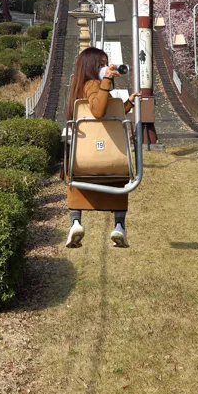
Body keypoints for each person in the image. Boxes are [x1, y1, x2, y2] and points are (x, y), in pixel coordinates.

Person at [63, 46, 140, 249]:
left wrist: (128, 104)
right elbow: (98, 112)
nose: (107, 68)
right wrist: (105, 80)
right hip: (110, 156)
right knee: (120, 179)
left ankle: (75, 223)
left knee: (74, 180)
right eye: (103, 64)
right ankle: (119, 226)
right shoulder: (93, 85)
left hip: (83, 158)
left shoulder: (78, 86)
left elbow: (107, 115)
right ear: (92, 66)